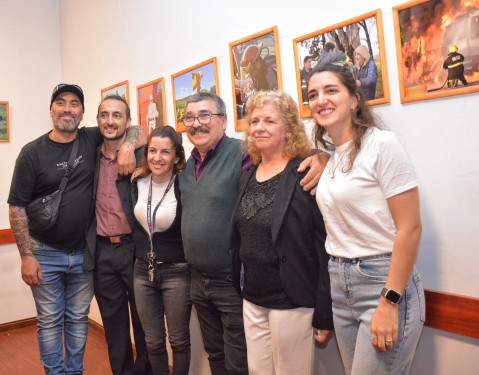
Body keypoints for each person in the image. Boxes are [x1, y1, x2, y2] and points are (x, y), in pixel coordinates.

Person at [179, 92, 324, 375]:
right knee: (230, 361)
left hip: (254, 288)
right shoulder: (190, 167)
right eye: (190, 118)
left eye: (205, 115)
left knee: (243, 365)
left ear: (224, 121)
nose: (197, 123)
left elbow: (290, 160)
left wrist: (324, 157)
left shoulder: (243, 156)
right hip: (224, 287)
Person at [8, 84, 144, 375]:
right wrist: (26, 256)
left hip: (85, 254)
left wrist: (129, 147)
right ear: (51, 110)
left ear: (82, 114)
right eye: (61, 103)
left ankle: (74, 371)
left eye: (74, 104)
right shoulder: (31, 153)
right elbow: (17, 207)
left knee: (78, 318)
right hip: (44, 253)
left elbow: (138, 128)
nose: (67, 109)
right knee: (49, 320)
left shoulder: (91, 137)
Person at [307, 63, 425, 374]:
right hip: (339, 281)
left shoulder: (382, 145)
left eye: (331, 90)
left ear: (355, 99)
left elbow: (410, 228)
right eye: (313, 94)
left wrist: (390, 301)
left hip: (382, 282)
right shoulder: (331, 159)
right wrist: (322, 156)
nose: (321, 100)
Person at [229, 91, 334, 375]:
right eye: (255, 121)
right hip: (252, 297)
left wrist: (324, 312)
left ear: (288, 128)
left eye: (269, 121)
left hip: (291, 301)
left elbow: (323, 245)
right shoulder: (249, 173)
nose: (259, 127)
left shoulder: (305, 172)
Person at [85, 95, 151, 375]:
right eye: (104, 115)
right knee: (114, 327)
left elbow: (144, 132)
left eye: (117, 115)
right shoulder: (87, 153)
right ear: (97, 119)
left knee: (145, 323)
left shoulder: (143, 155)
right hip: (101, 254)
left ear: (127, 121)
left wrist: (127, 145)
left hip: (134, 250)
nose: (110, 121)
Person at [132, 125, 192, 375]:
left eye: (165, 152)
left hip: (176, 272)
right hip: (141, 272)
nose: (157, 158)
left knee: (178, 341)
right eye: (152, 151)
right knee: (153, 341)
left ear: (177, 157)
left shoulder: (185, 185)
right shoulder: (137, 182)